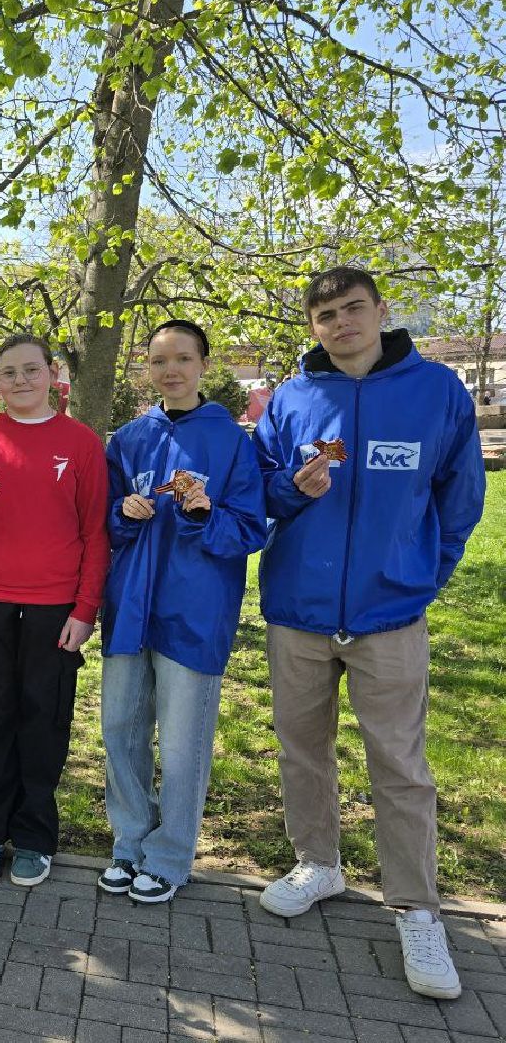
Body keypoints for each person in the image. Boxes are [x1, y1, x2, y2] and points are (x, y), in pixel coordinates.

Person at [253, 266, 485, 1000]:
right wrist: (292, 487)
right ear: (313, 327)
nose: (341, 323)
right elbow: (256, 491)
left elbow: (462, 499)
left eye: (354, 309)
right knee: (301, 750)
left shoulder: (437, 393)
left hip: (390, 617)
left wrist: (422, 577)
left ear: (381, 311)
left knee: (401, 766)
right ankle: (317, 864)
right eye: (325, 315)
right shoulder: (291, 400)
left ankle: (417, 908)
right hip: (299, 612)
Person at [97, 321, 267, 903]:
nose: (171, 370)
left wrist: (202, 513)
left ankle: (169, 857)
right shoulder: (127, 440)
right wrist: (123, 510)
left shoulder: (232, 442)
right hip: (129, 606)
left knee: (181, 742)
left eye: (183, 359)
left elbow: (250, 528)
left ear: (203, 364)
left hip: (194, 610)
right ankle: (129, 843)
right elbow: (103, 524)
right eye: (159, 359)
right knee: (120, 730)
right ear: (147, 367)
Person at [0, 335, 108, 886]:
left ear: (52, 374)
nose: (20, 381)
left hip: (54, 604)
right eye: (8, 373)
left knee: (45, 717)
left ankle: (35, 834)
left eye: (30, 370)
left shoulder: (81, 443)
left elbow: (94, 532)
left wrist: (85, 609)